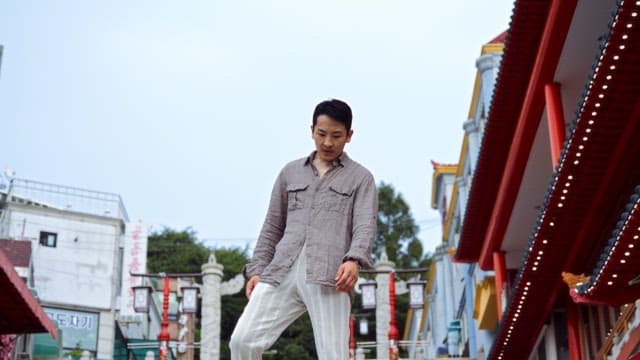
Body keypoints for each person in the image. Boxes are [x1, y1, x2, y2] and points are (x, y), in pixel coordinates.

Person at [229, 99, 377, 359]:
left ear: (349, 136)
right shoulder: (290, 172)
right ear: (311, 130)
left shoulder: (361, 178)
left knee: (334, 354)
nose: (328, 143)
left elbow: (365, 224)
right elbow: (272, 225)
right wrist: (256, 270)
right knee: (243, 341)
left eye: (336, 135)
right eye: (321, 134)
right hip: (281, 269)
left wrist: (354, 260)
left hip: (329, 274)